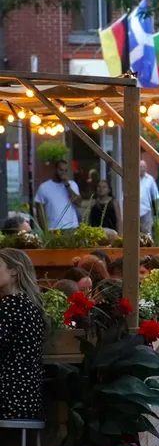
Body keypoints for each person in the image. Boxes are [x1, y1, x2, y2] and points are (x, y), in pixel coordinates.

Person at [0, 249, 46, 420]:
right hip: (29, 395)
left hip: (9, 395)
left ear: (14, 271)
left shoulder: (9, 308)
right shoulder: (29, 305)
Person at [35, 159, 81, 230]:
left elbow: (78, 203)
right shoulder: (44, 187)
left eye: (66, 170)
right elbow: (40, 212)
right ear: (55, 169)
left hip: (72, 227)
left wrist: (67, 186)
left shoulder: (72, 184)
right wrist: (45, 231)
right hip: (53, 229)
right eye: (61, 170)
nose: (63, 173)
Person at [138, 160, 159, 235]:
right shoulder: (133, 179)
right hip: (134, 212)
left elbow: (155, 196)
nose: (142, 169)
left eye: (144, 167)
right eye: (141, 167)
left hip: (147, 211)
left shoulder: (150, 179)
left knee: (147, 234)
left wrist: (155, 213)